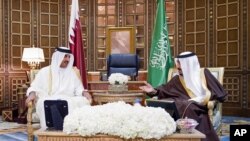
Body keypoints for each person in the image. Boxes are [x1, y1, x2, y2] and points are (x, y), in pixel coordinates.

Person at [140, 51, 227, 141]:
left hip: (199, 106)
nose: (177, 67)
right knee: (167, 103)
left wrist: (200, 99)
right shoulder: (177, 78)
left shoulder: (203, 73)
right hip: (182, 104)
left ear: (189, 64)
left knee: (186, 105)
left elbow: (219, 93)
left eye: (180, 64)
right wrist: (153, 91)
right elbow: (165, 90)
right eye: (177, 63)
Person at [25, 46, 92, 130]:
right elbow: (34, 87)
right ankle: (49, 132)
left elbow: (78, 88)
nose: (67, 59)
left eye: (68, 56)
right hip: (49, 99)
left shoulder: (71, 73)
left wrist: (84, 92)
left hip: (68, 99)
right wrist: (32, 93)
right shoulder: (44, 71)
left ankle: (70, 130)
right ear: (57, 57)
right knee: (44, 102)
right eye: (65, 56)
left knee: (82, 101)